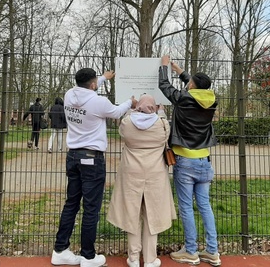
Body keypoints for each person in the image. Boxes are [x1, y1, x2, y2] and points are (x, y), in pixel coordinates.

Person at [51, 68, 137, 267]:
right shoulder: (99, 102)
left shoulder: (69, 94)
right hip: (92, 158)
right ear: (92, 85)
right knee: (91, 208)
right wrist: (130, 103)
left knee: (71, 203)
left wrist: (104, 78)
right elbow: (116, 111)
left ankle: (60, 249)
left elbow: (89, 86)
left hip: (73, 156)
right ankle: (88, 256)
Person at [158, 55, 221, 266]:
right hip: (204, 160)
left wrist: (165, 67)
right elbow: (196, 89)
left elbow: (164, 86)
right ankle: (212, 251)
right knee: (205, 205)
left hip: (185, 160)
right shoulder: (212, 101)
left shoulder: (184, 99)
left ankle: (191, 251)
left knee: (186, 207)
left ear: (192, 85)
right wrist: (181, 72)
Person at [107, 94, 176, 267]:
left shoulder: (128, 123)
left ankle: (134, 258)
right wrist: (161, 111)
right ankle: (151, 259)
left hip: (131, 173)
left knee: (133, 214)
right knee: (152, 214)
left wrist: (132, 106)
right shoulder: (162, 124)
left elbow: (122, 129)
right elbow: (166, 131)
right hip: (155, 174)